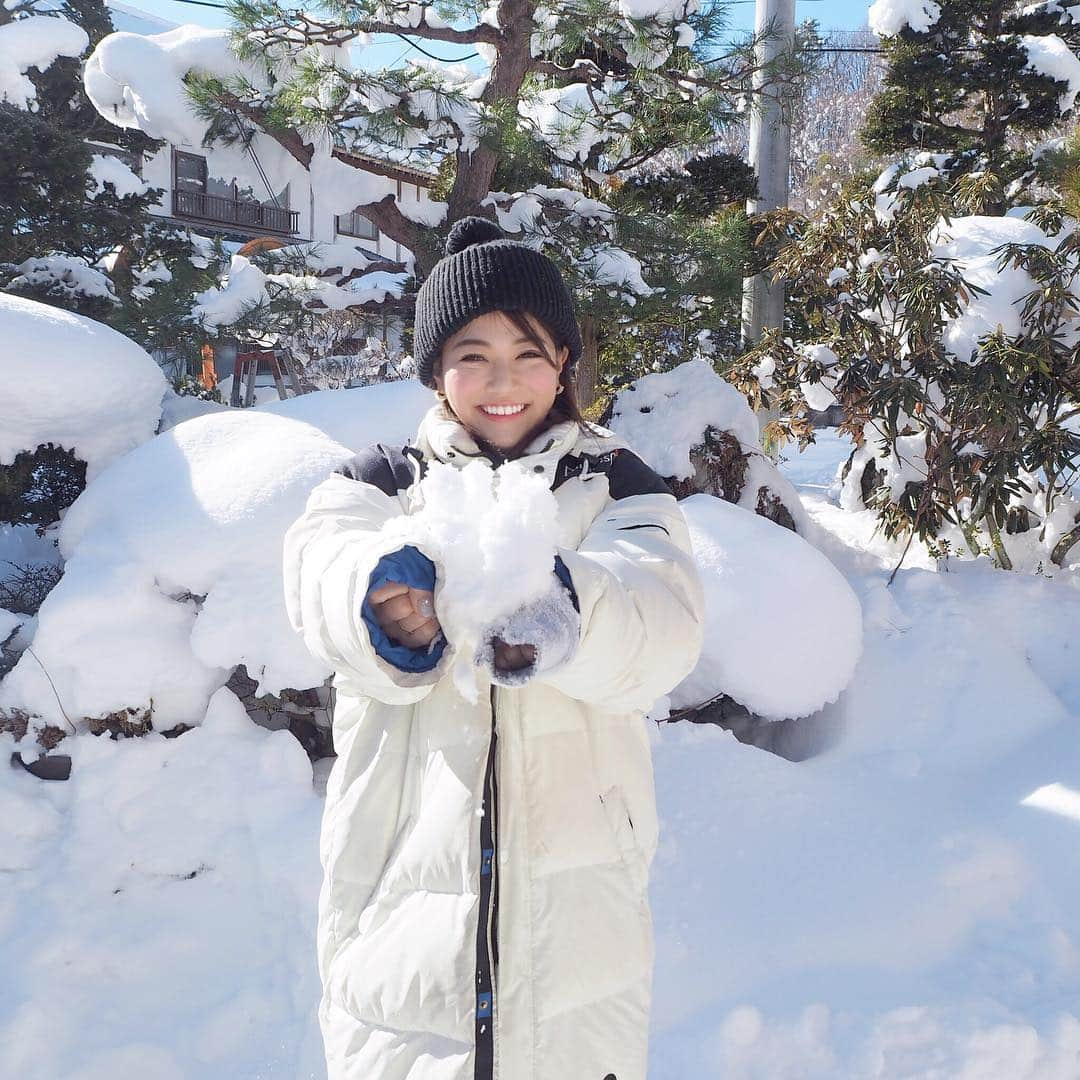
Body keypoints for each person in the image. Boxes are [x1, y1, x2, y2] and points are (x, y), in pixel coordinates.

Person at [282, 217, 705, 1080]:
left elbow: (664, 621)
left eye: (529, 352)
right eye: (472, 353)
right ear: (435, 368)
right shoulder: (381, 483)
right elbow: (318, 574)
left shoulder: (616, 484)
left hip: (580, 920)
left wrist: (570, 611)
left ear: (565, 364)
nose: (501, 380)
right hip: (398, 904)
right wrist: (384, 607)